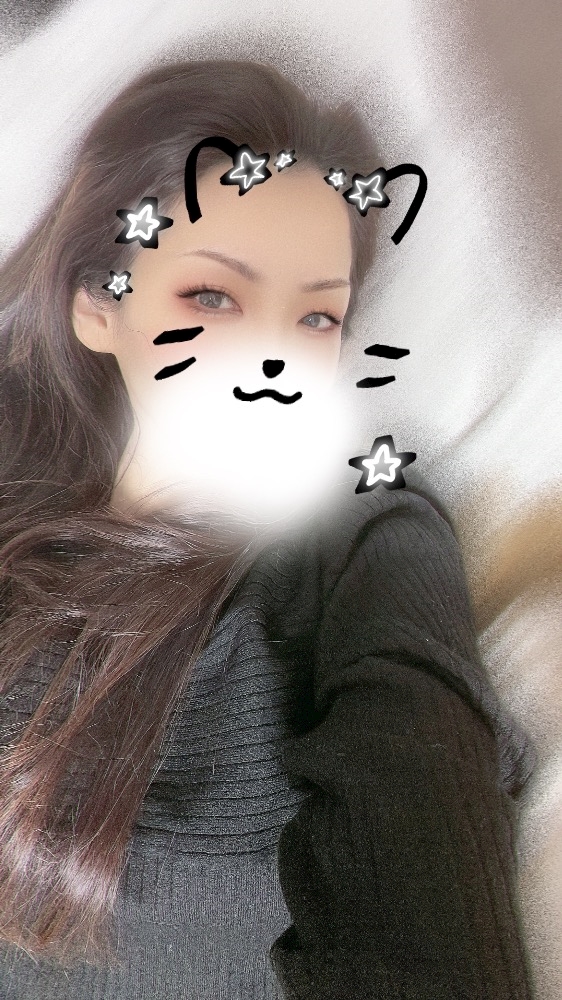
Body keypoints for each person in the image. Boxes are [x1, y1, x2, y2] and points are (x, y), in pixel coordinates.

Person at [0, 57, 537, 998]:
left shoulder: (370, 533)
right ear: (97, 305)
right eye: (213, 297)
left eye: (317, 317)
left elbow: (424, 794)